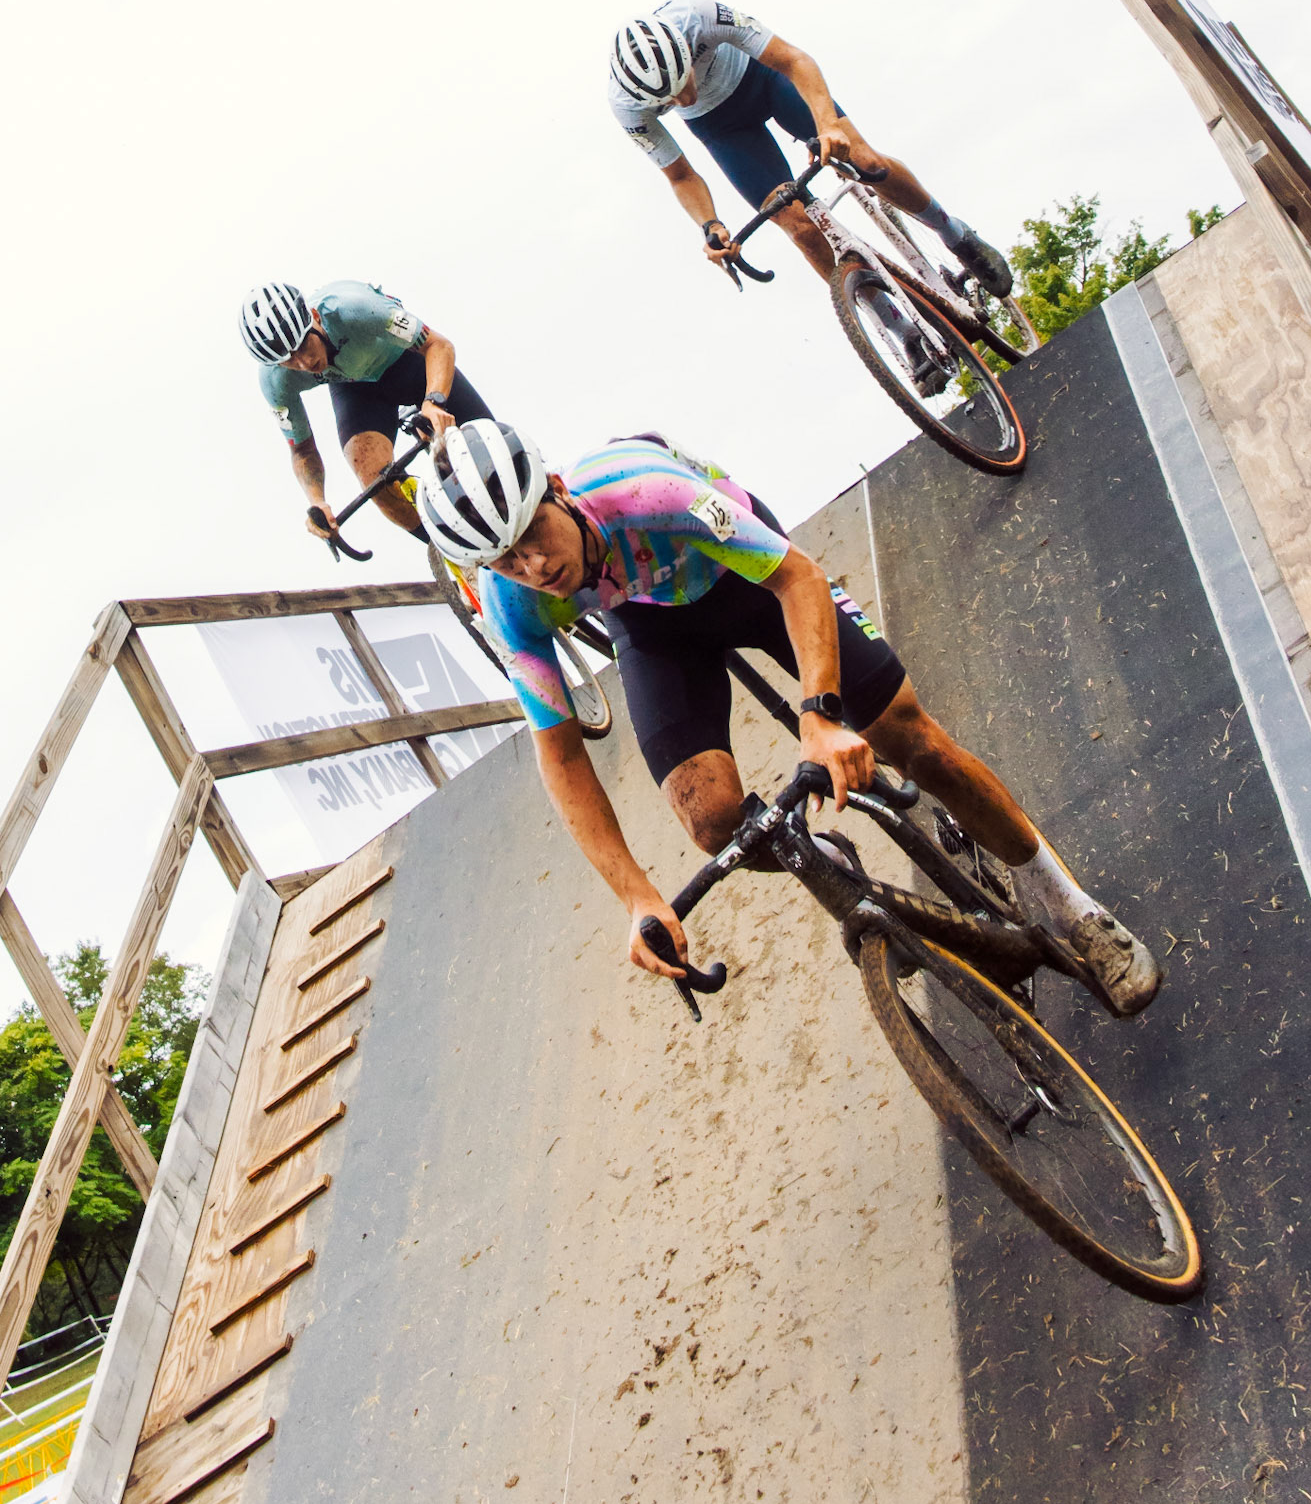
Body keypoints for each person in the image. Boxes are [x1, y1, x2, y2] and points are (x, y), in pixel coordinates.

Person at [413, 422, 1159, 1016]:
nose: (535, 567)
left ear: (555, 491)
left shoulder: (647, 492)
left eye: (533, 536)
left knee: (909, 741)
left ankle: (1070, 908)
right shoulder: (512, 602)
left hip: (743, 574)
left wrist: (820, 714)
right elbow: (561, 756)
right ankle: (831, 864)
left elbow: (797, 577)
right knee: (713, 822)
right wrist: (635, 895)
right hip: (651, 623)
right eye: (506, 561)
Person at [608, 0, 1013, 295]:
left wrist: (828, 126)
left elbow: (793, 60)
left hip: (765, 78)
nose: (684, 100)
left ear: (685, 46)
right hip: (722, 128)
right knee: (797, 225)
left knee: (865, 160)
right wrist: (710, 225)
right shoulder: (626, 107)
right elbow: (680, 175)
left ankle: (956, 235)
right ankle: (897, 329)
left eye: (684, 82)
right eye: (669, 100)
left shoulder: (697, 15)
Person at [238, 280, 495, 547]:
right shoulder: (274, 380)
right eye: (288, 360)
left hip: (409, 362)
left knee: (492, 455)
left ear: (314, 317)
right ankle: (451, 549)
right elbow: (302, 450)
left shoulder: (354, 309)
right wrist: (317, 501)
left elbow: (438, 346)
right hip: (357, 389)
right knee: (373, 477)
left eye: (303, 345)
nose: (304, 363)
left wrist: (434, 402)